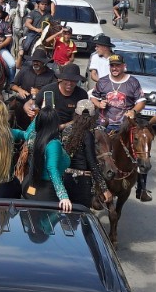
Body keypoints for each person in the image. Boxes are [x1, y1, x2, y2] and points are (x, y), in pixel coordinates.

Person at [91, 53, 150, 201]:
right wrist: (98, 104)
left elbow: (141, 101)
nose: (114, 68)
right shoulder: (103, 81)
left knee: (141, 150)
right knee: (92, 150)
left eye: (117, 65)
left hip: (125, 126)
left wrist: (133, 111)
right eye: (112, 65)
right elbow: (93, 96)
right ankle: (92, 184)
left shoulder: (133, 82)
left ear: (124, 66)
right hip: (104, 125)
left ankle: (142, 188)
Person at [60, 100, 112, 209]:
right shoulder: (87, 135)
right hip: (82, 183)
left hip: (65, 179)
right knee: (80, 215)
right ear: (92, 118)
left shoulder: (66, 130)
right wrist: (104, 189)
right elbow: (92, 163)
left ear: (76, 114)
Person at [22, 105, 72, 213]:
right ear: (55, 123)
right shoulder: (53, 144)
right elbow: (52, 169)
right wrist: (63, 195)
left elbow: (27, 131)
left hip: (29, 188)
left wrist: (40, 115)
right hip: (47, 194)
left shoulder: (32, 137)